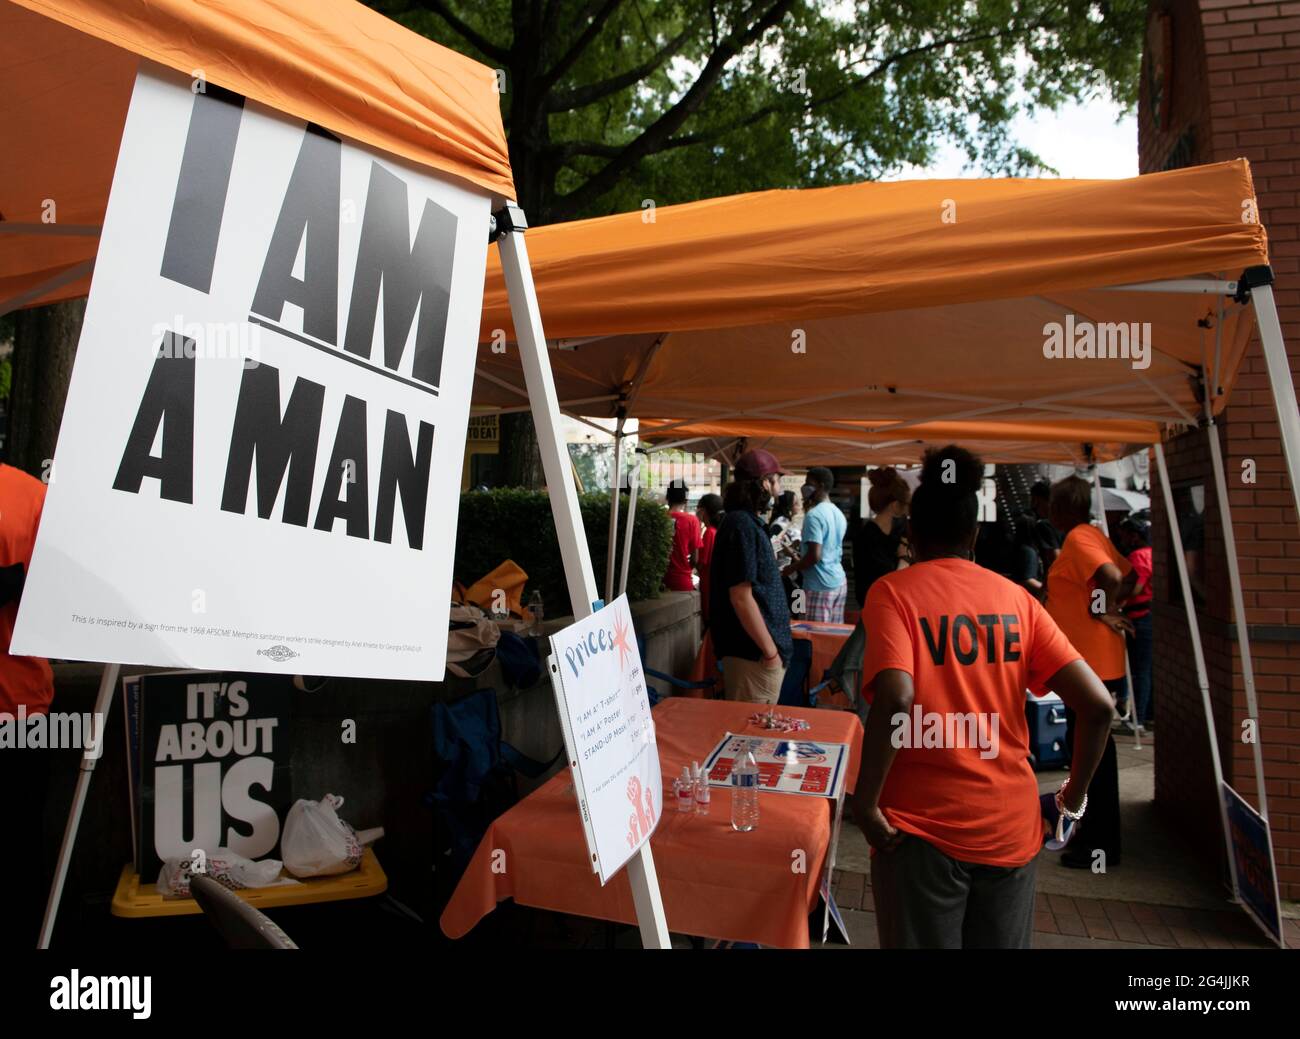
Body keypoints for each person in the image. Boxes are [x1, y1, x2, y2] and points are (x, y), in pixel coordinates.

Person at [851, 446, 1114, 949]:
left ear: (911, 533)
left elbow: (897, 694)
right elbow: (1098, 706)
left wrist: (866, 802)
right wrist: (1071, 800)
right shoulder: (1017, 599)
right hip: (1010, 830)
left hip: (917, 831)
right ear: (973, 535)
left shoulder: (893, 593)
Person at [1044, 475, 1138, 870]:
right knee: (1094, 751)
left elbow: (1114, 578)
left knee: (1090, 753)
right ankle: (1095, 837)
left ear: (1063, 507)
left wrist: (1102, 610)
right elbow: (1127, 575)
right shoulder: (1092, 534)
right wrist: (1107, 608)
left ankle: (1098, 845)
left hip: (1090, 662)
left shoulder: (1080, 538)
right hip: (1094, 660)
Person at [0, 463, 56, 949]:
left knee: (20, 851)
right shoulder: (30, 493)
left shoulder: (29, 495)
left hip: (19, 705)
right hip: (21, 707)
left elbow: (56, 590)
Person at [711, 449, 792, 704]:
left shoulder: (745, 522)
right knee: (751, 735)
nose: (779, 489)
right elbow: (741, 596)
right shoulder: (741, 525)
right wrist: (769, 653)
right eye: (776, 480)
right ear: (764, 483)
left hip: (756, 654)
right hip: (753, 655)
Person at [784, 467, 847, 622]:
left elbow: (815, 556)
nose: (804, 487)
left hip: (818, 586)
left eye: (808, 483)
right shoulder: (838, 513)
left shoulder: (814, 515)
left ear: (821, 485)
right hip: (839, 583)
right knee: (833, 637)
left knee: (814, 638)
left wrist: (791, 568)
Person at [853, 467, 911, 608]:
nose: (908, 508)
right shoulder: (869, 537)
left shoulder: (899, 530)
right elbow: (890, 581)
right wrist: (904, 559)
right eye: (906, 503)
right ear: (895, 505)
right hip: (877, 607)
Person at [1118, 515, 1153, 728]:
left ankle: (1137, 718)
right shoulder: (1152, 554)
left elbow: (1135, 587)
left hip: (1139, 616)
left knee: (1140, 670)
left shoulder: (1138, 556)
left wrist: (1114, 603)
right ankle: (1146, 714)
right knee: (1147, 669)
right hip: (1150, 614)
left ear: (1134, 536)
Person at [662, 482, 702, 593]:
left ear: (667, 497)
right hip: (682, 581)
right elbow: (695, 559)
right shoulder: (692, 521)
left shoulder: (659, 518)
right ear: (685, 500)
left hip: (660, 581)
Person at [695, 493, 724, 627]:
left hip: (708, 588)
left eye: (698, 508)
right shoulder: (717, 531)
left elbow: (701, 563)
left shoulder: (709, 533)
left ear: (704, 511)